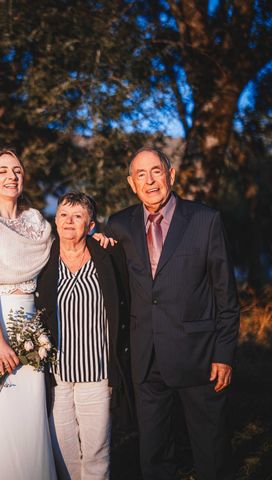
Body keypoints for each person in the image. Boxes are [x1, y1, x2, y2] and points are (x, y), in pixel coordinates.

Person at [106, 146, 240, 479]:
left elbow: (226, 294)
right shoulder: (119, 225)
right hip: (146, 357)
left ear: (171, 174)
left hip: (200, 356)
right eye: (141, 174)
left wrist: (224, 354)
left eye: (156, 171)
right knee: (153, 455)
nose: (150, 181)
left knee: (211, 451)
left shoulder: (205, 220)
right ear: (131, 184)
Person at [0, 149, 56, 479]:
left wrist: (95, 233)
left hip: (32, 327)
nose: (11, 176)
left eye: (16, 170)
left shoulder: (37, 223)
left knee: (30, 417)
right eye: (2, 171)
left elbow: (65, 248)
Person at [36, 191, 132, 479]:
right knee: (63, 452)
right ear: (55, 221)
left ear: (91, 225)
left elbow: (125, 304)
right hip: (58, 375)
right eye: (63, 214)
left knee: (96, 453)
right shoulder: (43, 258)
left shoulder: (108, 256)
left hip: (97, 374)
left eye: (78, 216)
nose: (69, 221)